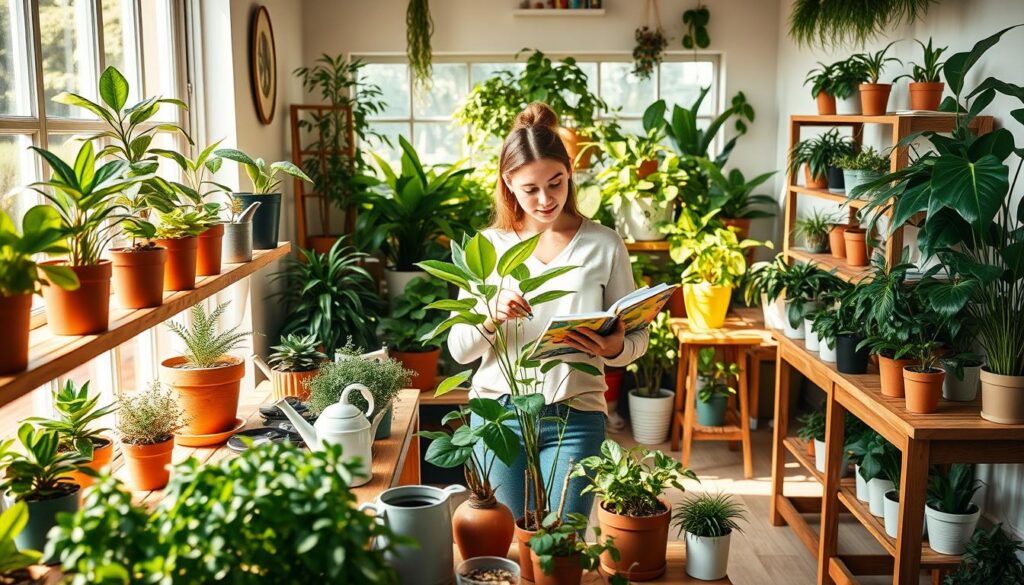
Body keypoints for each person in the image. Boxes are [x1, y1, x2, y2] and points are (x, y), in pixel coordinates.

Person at [447, 102, 650, 523]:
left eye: (555, 184)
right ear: (508, 183)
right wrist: (490, 312)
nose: (545, 200)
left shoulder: (604, 244)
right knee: (507, 540)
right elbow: (459, 351)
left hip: (576, 415)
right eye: (531, 189)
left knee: (565, 542)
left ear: (570, 172)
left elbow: (637, 337)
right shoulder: (487, 246)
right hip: (499, 413)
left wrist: (614, 346)